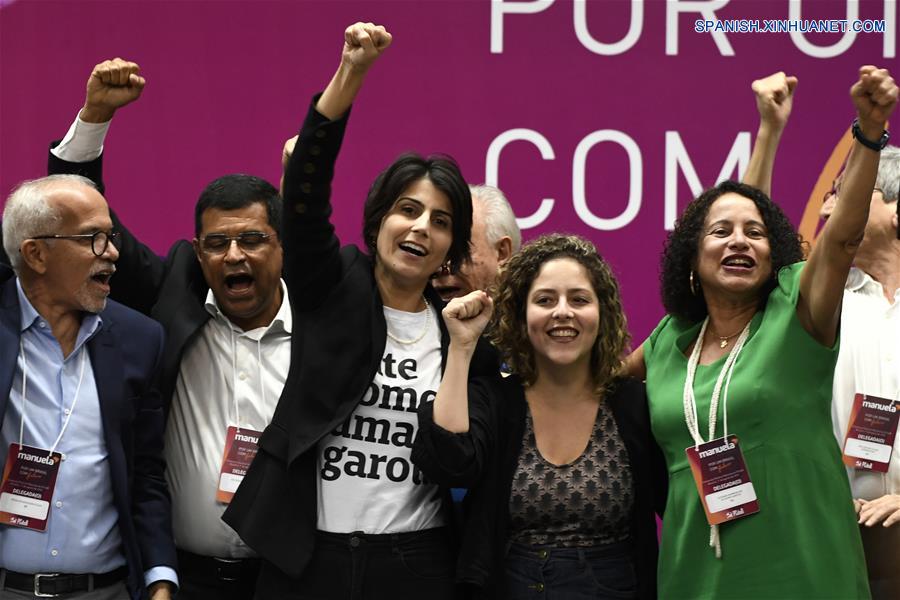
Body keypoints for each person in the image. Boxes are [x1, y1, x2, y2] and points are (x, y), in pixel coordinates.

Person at [222, 23, 496, 599]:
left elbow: (460, 464)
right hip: (307, 557)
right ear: (379, 221)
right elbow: (303, 193)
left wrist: (464, 347)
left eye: (441, 221)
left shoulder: (459, 332)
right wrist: (352, 72)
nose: (421, 227)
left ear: (452, 249)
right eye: (408, 209)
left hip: (415, 561)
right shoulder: (333, 283)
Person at [622, 65, 897, 598]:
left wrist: (867, 133)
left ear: (775, 254)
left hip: (806, 569)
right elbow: (587, 380)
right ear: (690, 255)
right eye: (719, 234)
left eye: (755, 235)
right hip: (695, 575)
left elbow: (832, 240)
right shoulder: (671, 338)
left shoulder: (793, 309)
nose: (738, 242)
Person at [42, 59, 287, 599]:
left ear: (281, 244)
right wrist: (95, 117)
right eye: (217, 244)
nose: (234, 256)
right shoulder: (173, 288)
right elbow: (82, 220)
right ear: (198, 252)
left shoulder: (323, 317)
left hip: (286, 581)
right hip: (182, 581)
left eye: (251, 239)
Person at [412, 234, 665, 599]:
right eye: (545, 300)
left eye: (579, 299)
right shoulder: (497, 400)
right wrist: (462, 346)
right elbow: (451, 464)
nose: (562, 311)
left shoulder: (633, 405)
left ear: (603, 313)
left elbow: (680, 504)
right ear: (521, 315)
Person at [744, 71, 900, 599]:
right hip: (828, 542)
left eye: (858, 189)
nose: (837, 195)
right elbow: (751, 234)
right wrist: (769, 129)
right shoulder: (818, 299)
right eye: (835, 187)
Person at [0, 175, 176, 599]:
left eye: (110, 236)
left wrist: (160, 579)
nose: (112, 253)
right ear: (36, 254)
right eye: (92, 238)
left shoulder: (140, 339)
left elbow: (147, 473)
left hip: (109, 589)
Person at [432, 184, 520, 301]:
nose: (439, 268)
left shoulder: (534, 316)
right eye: (433, 251)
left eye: (457, 252)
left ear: (501, 252)